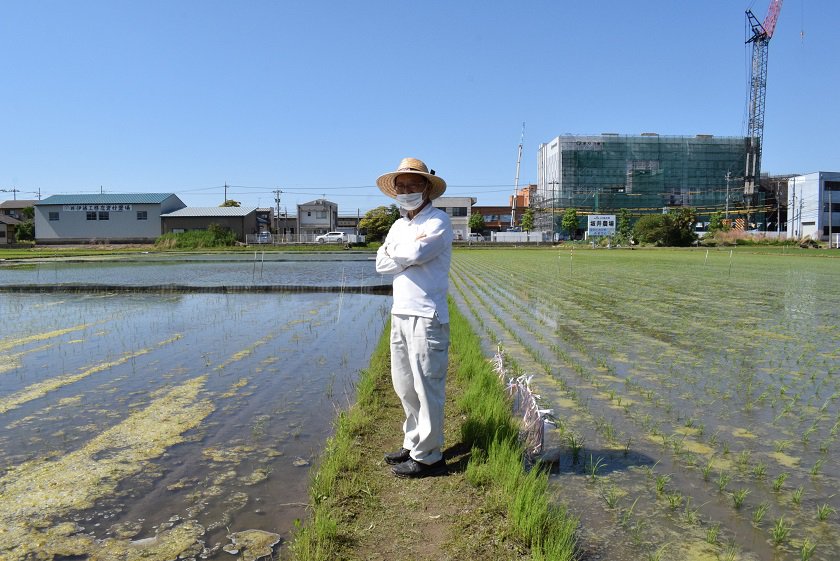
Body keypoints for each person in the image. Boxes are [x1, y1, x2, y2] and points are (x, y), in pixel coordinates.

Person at [375, 157, 453, 478]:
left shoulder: (439, 221)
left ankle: (429, 457)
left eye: (413, 184)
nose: (406, 190)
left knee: (427, 386)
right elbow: (381, 263)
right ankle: (413, 442)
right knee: (404, 385)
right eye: (401, 186)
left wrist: (397, 252)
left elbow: (417, 254)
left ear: (427, 189)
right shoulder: (398, 225)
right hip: (400, 313)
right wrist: (399, 252)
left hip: (426, 316)